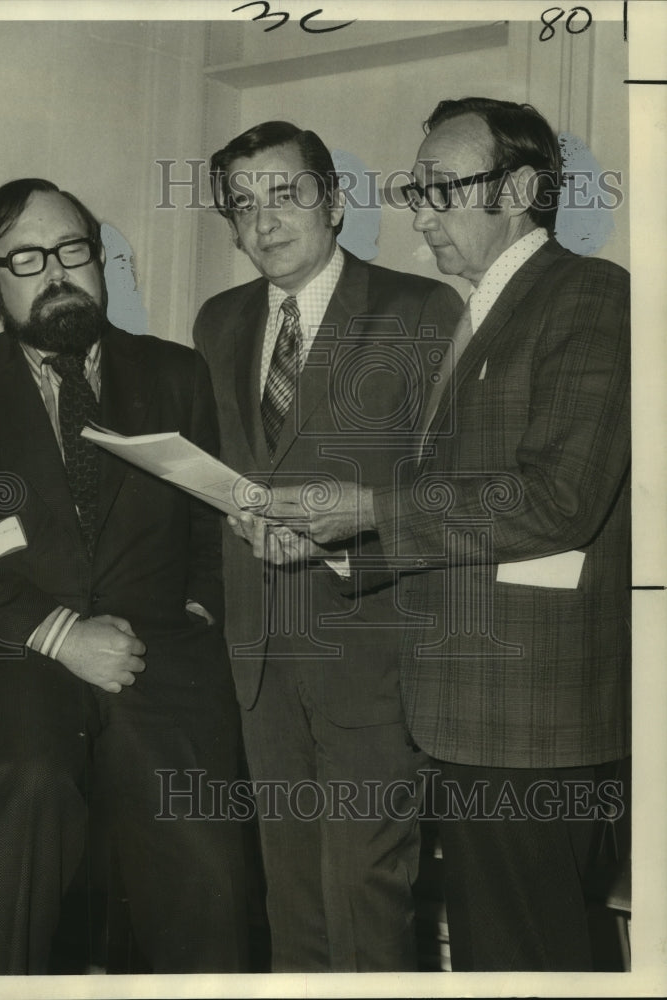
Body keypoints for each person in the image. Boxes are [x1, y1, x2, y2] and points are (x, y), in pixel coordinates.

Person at [238, 98, 631, 971]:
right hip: (473, 714)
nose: (420, 215)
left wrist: (369, 509)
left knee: (531, 960)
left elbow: (557, 496)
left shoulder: (591, 293)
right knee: (505, 957)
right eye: (416, 193)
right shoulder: (486, 309)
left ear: (523, 188)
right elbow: (452, 504)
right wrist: (332, 541)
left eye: (441, 190)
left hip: (533, 720)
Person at [0, 178, 248, 975]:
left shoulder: (176, 373)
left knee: (208, 865)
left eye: (72, 249)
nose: (55, 271)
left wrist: (194, 610)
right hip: (13, 645)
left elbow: (210, 523)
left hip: (155, 650)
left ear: (98, 260)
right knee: (33, 781)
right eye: (25, 258)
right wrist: (60, 635)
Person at [192, 120, 463, 971]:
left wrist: (349, 537)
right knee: (290, 899)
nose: (264, 221)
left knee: (367, 894)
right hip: (258, 656)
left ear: (335, 201)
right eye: (243, 205)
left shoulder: (422, 311)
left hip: (372, 650)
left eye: (287, 194)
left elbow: (455, 488)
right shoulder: (217, 321)